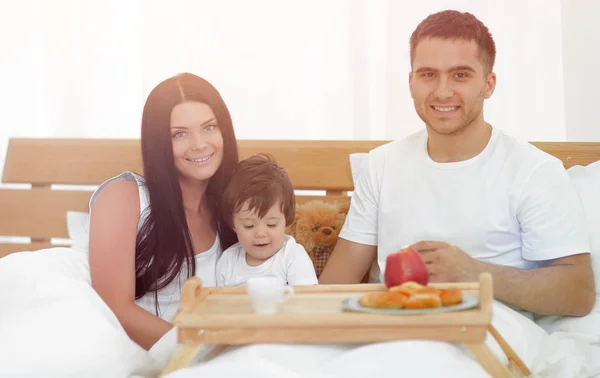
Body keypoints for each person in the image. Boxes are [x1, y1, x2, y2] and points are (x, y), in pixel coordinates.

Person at [319, 10, 596, 317]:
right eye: (428, 75)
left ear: (488, 84)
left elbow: (578, 293)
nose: (443, 91)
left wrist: (474, 274)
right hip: (392, 327)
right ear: (411, 83)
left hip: (488, 332)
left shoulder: (533, 170)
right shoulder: (381, 165)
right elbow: (333, 286)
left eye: (460, 75)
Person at [88, 73, 239, 350]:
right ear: (158, 142)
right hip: (148, 356)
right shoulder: (124, 196)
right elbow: (114, 308)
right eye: (179, 134)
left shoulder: (231, 206)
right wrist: (200, 352)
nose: (199, 144)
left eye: (209, 127)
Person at [216, 154, 318, 286]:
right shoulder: (228, 261)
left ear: (286, 220)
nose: (260, 233)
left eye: (271, 224)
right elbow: (218, 303)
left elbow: (307, 300)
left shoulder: (292, 256)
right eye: (249, 226)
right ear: (233, 225)